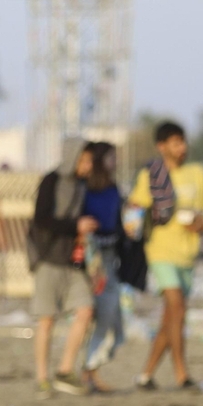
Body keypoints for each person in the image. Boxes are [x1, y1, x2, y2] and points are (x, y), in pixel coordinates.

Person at [128, 121, 203, 390]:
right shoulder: (151, 175)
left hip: (188, 254)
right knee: (176, 307)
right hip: (160, 251)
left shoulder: (197, 173)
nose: (182, 148)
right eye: (176, 143)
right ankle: (181, 374)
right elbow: (134, 211)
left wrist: (202, 223)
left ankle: (146, 374)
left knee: (171, 318)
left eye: (183, 141)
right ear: (162, 146)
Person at [29, 143, 96, 398]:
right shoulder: (51, 180)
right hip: (48, 258)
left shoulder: (81, 186)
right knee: (46, 319)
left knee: (85, 309)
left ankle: (65, 370)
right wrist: (75, 225)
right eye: (85, 161)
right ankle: (42, 378)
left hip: (73, 260)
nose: (88, 166)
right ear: (73, 158)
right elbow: (41, 219)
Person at [80, 141, 125, 392]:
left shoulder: (114, 189)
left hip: (109, 259)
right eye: (111, 157)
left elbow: (118, 223)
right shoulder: (83, 188)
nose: (115, 162)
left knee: (111, 320)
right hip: (89, 261)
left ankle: (91, 371)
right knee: (95, 318)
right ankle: (86, 373)